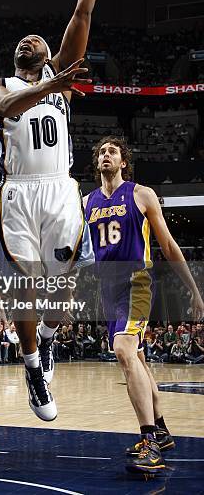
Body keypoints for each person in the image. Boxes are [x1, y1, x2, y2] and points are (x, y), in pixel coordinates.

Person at [0, 0, 112, 422]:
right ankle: (33, 366)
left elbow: (83, 10)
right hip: (18, 191)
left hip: (59, 189)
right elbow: (0, 108)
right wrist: (48, 88)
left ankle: (50, 341)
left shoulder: (59, 71)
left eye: (38, 39)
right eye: (24, 42)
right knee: (27, 284)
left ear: (47, 54)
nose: (29, 40)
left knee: (63, 288)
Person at [84, 136, 204, 475]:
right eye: (102, 152)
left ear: (124, 162)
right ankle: (162, 430)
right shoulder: (86, 202)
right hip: (107, 288)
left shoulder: (141, 194)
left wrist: (194, 291)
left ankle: (150, 442)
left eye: (112, 151)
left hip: (136, 283)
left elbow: (167, 244)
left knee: (124, 348)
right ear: (97, 163)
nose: (106, 154)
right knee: (135, 358)